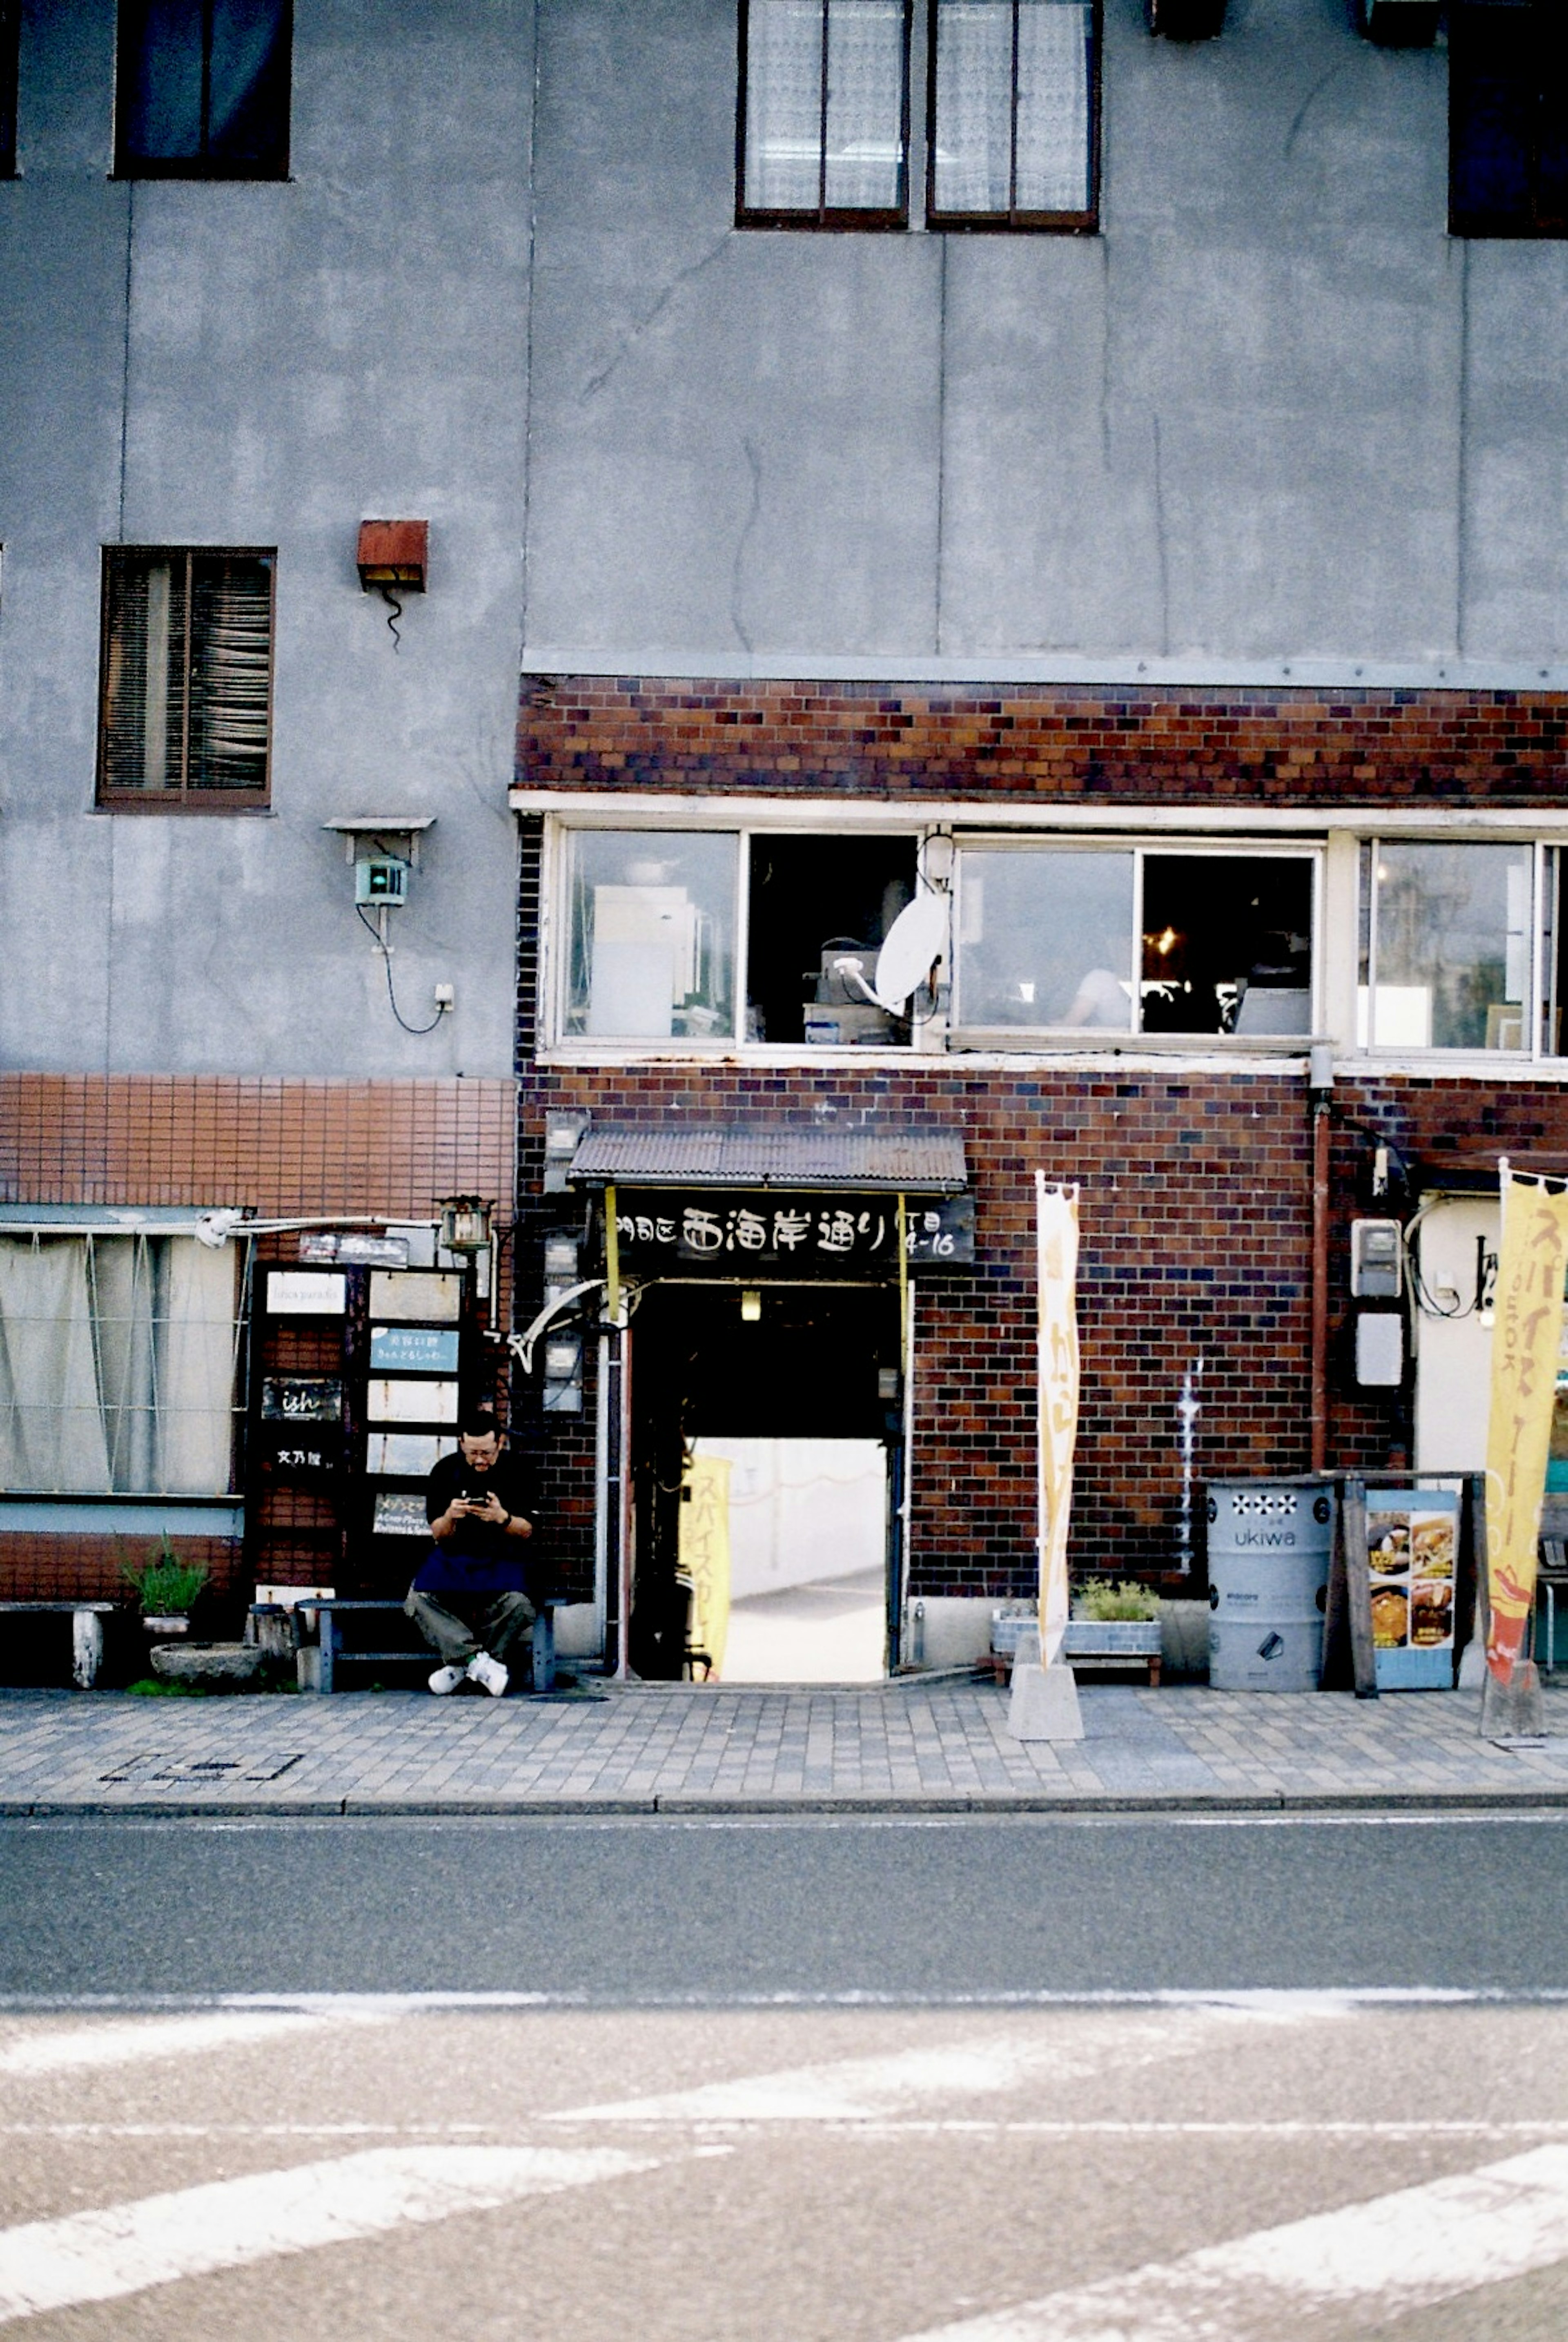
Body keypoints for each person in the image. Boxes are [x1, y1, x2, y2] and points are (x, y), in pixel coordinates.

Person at [405, 1407, 537, 1697]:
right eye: (473, 1452)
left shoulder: (519, 1470)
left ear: (500, 1444)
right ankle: (477, 1662)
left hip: (503, 1557)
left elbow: (528, 1530)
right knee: (418, 1600)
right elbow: (438, 1535)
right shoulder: (444, 1471)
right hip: (455, 1558)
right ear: (461, 1443)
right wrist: (451, 1516)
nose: (480, 1460)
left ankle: (461, 1665)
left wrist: (502, 1518)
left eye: (487, 1453)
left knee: (521, 1605)